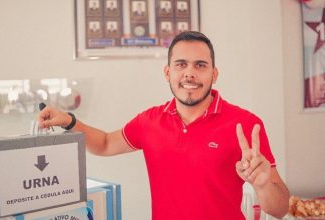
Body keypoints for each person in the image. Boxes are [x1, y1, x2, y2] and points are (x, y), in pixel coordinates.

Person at [38, 31, 290, 220]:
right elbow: (104, 144)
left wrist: (263, 184)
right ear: (168, 72)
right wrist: (70, 121)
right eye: (181, 64)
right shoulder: (149, 121)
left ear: (214, 74)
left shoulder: (246, 124)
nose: (190, 73)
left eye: (200, 65)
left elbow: (279, 209)